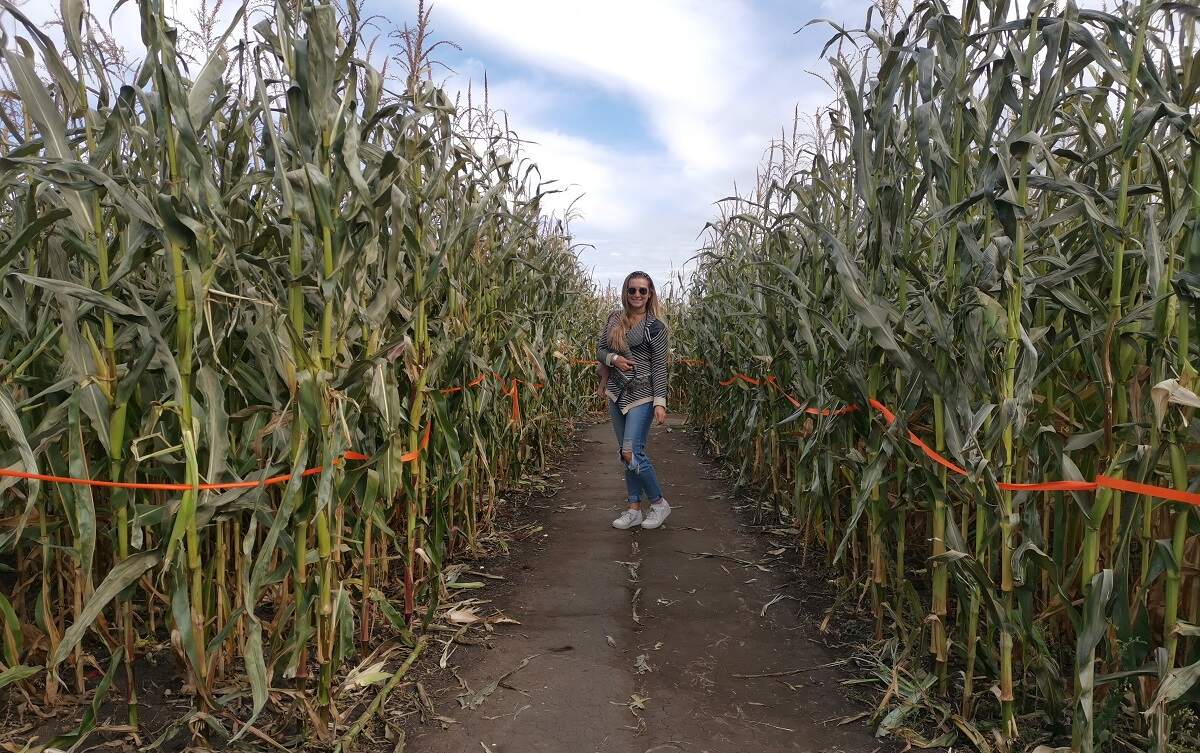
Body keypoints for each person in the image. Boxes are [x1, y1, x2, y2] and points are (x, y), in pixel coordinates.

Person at [596, 271, 671, 530]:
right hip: (616, 391)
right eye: (632, 290)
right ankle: (634, 509)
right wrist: (613, 360)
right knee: (624, 453)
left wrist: (660, 401)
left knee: (631, 452)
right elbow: (600, 350)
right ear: (626, 292)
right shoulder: (614, 319)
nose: (637, 295)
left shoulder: (655, 328)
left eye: (642, 290)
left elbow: (660, 365)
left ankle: (659, 503)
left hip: (642, 393)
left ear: (650, 294)